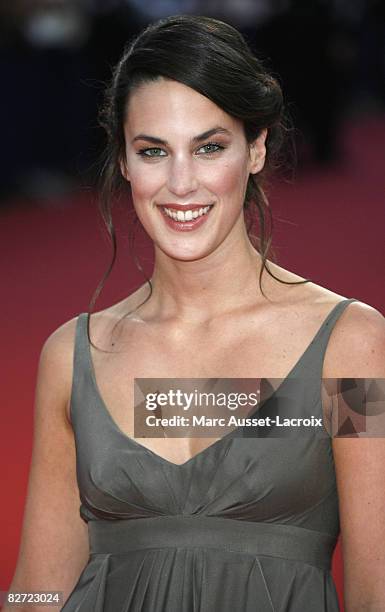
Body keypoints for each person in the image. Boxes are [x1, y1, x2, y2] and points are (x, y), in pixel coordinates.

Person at [5, 14, 385, 612]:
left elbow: (376, 588)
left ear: (255, 149)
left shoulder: (355, 346)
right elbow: (37, 591)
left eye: (209, 147)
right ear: (125, 162)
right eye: (153, 151)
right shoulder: (72, 354)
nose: (181, 183)